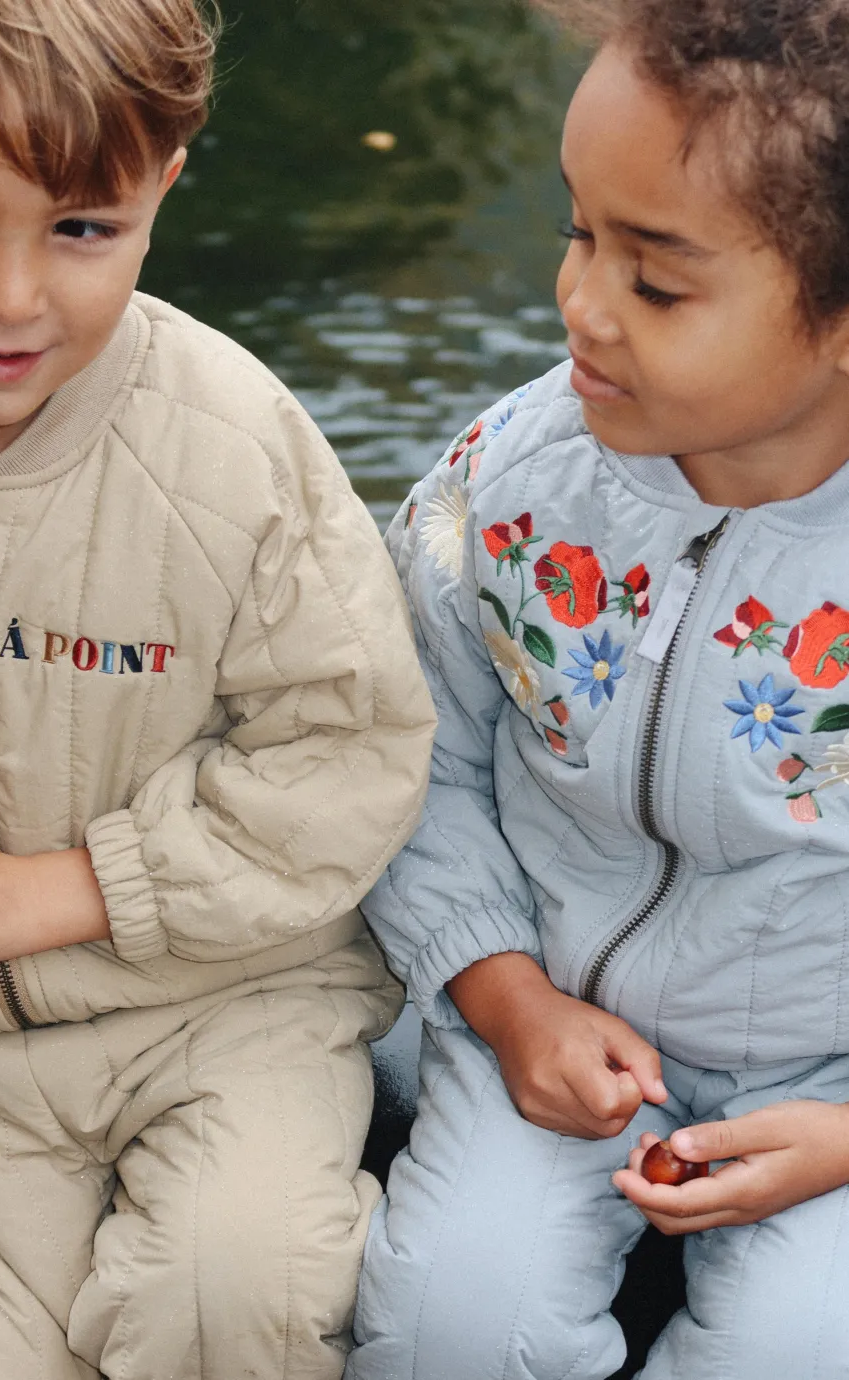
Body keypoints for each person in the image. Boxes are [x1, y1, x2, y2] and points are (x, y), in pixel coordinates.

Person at [0, 2, 436, 1378]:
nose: (12, 297)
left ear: (163, 190)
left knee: (238, 1290)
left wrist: (41, 895)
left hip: (232, 1006)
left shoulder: (237, 445)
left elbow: (351, 756)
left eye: (82, 228)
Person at [345, 2, 849, 1377]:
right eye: (580, 232)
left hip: (836, 1090)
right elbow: (409, 753)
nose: (579, 301)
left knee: (798, 1354)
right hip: (549, 1021)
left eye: (658, 281)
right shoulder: (510, 483)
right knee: (450, 1320)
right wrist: (509, 1000)